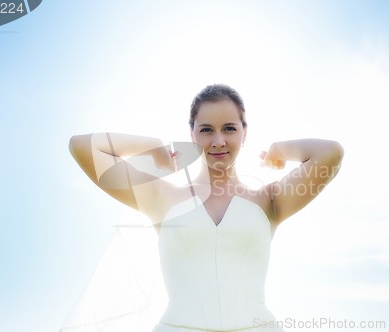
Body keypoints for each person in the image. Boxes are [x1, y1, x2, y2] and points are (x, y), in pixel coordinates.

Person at [68, 84, 344, 331]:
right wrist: (151, 147)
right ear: (192, 134)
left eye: (229, 128)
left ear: (244, 132)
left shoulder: (271, 200)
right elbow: (81, 146)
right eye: (206, 130)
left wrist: (278, 150)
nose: (218, 141)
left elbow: (330, 153)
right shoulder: (161, 197)